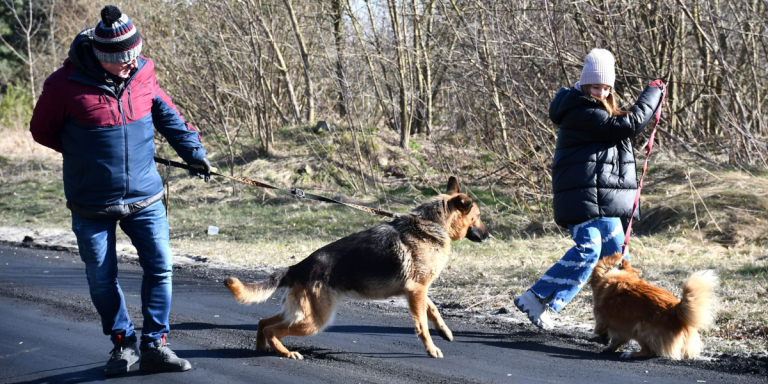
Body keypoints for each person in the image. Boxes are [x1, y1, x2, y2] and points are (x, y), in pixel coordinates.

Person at [29, 5, 212, 375]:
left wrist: (193, 152)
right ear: (102, 56)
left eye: (135, 55)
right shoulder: (63, 85)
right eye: (123, 59)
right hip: (91, 202)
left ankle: (156, 345)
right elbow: (41, 131)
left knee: (161, 269)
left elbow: (164, 113)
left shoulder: (144, 71)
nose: (132, 63)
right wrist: (83, 153)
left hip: (145, 196)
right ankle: (122, 344)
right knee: (101, 276)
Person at [514, 48, 664, 330]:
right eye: (597, 86)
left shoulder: (594, 109)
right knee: (593, 252)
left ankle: (616, 322)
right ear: (584, 83)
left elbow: (621, 123)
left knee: (619, 263)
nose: (603, 92)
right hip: (588, 199)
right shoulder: (582, 111)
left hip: (599, 198)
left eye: (607, 87)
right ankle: (539, 296)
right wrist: (652, 94)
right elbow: (629, 124)